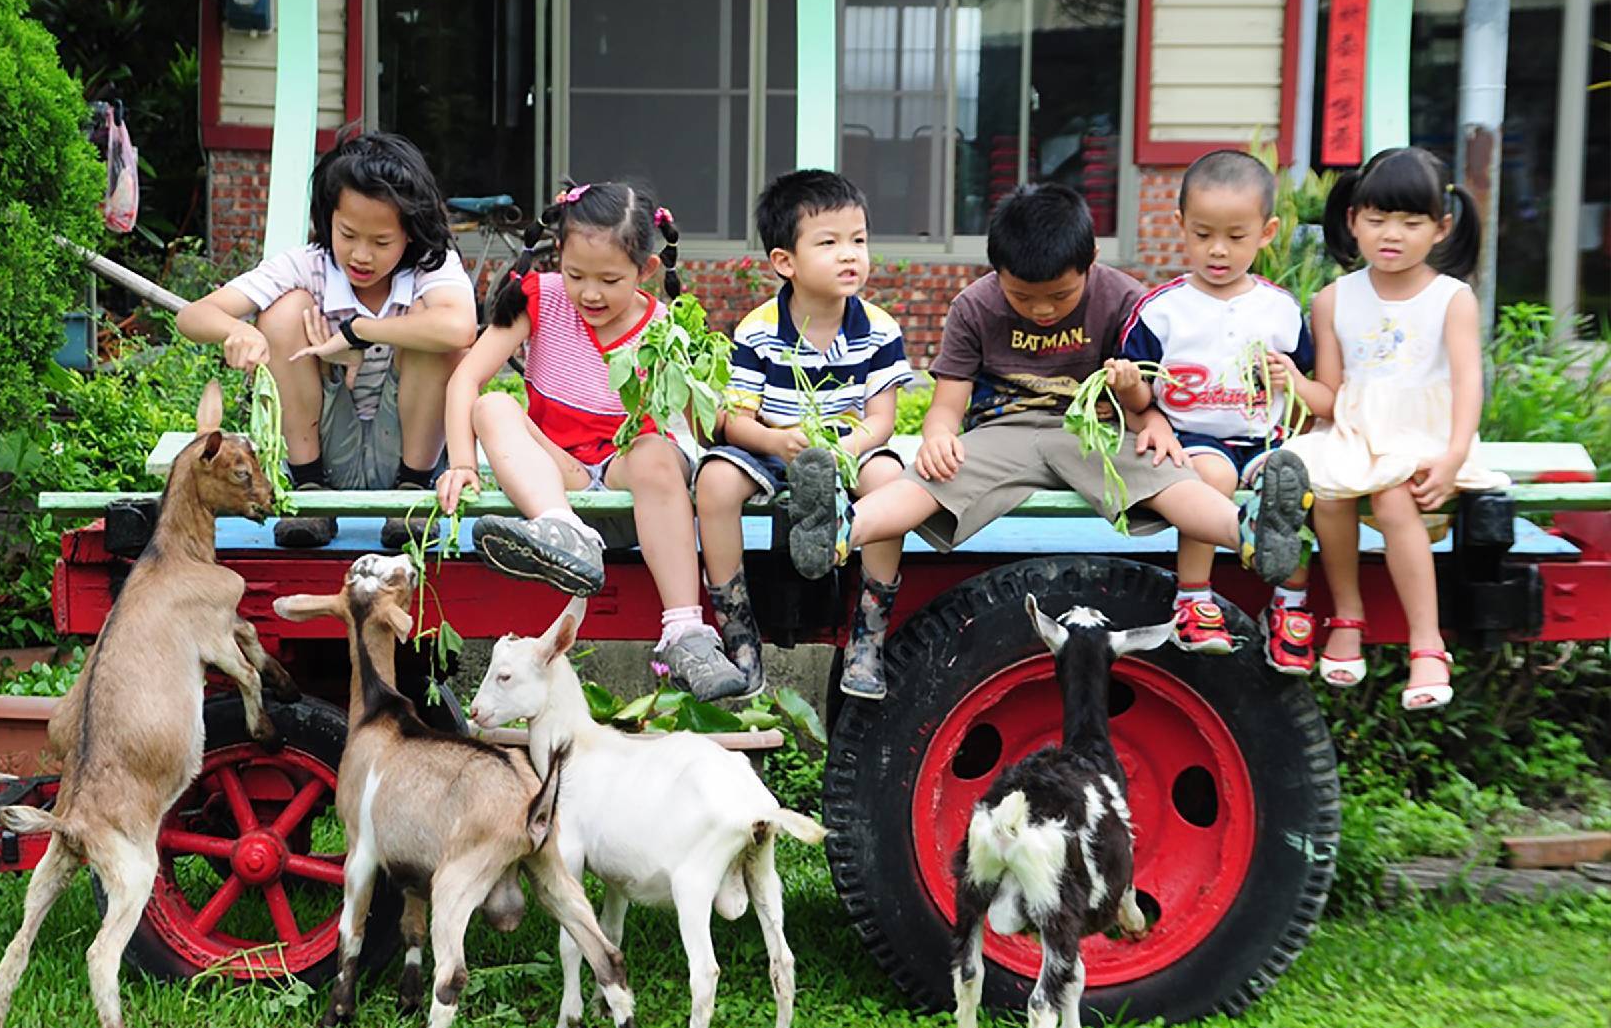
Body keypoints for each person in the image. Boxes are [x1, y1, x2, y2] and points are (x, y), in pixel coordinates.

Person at [785, 183, 1316, 607]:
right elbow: (948, 402)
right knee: (930, 479)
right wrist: (938, 435)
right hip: (1002, 433)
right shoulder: (975, 306)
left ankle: (1248, 531)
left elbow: (1145, 392)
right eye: (1022, 297)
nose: (1042, 310)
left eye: (1060, 296)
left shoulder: (1125, 297)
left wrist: (1146, 412)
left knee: (1164, 474)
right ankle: (838, 528)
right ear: (996, 271)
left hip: (1091, 434)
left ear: (1091, 260)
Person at [435, 181, 747, 701]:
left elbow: (705, 419)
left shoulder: (663, 325)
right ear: (558, 255)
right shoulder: (541, 299)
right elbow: (466, 379)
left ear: (645, 271)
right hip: (561, 480)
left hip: (629, 479)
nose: (591, 293)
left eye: (610, 279)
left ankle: (685, 630)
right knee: (492, 405)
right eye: (576, 275)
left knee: (654, 451)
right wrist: (463, 463)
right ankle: (560, 532)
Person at [1277, 147, 1507, 711]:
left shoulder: (1451, 298)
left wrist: (1453, 456)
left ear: (1441, 228)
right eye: (1377, 220)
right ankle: (1347, 615)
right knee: (1327, 492)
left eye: (1410, 222)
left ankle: (1427, 644)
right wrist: (1292, 383)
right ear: (1353, 219)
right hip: (1355, 434)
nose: (1392, 235)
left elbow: (1468, 382)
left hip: (1426, 436)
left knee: (1393, 497)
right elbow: (1330, 397)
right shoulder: (1333, 300)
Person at [177, 130, 476, 549]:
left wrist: (356, 332)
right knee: (282, 311)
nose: (361, 255)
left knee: (438, 330)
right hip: (326, 445)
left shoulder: (431, 266)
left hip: (409, 451)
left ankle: (410, 496)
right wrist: (239, 329)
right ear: (327, 219)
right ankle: (310, 492)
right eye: (348, 234)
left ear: (410, 232)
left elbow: (460, 329)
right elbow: (193, 315)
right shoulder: (308, 266)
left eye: (381, 242)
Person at [696, 170, 913, 700]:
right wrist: (773, 441)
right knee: (716, 483)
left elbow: (881, 420)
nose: (850, 256)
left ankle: (869, 633)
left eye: (858, 241)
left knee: (889, 477)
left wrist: (847, 448)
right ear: (784, 263)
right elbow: (733, 419)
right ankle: (739, 632)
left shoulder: (878, 329)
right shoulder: (759, 329)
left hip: (845, 445)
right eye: (830, 242)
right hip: (775, 445)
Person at [1109, 149, 1318, 673]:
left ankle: (1290, 606)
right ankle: (1194, 598)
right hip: (1193, 436)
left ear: (1267, 232)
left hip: (1266, 437)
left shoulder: (1280, 310)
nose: (1218, 250)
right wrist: (1134, 391)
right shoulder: (1162, 311)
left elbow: (1306, 386)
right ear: (1180, 226)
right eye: (1203, 235)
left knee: (1295, 484)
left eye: (1236, 236)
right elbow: (1136, 400)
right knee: (1211, 475)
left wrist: (1289, 381)